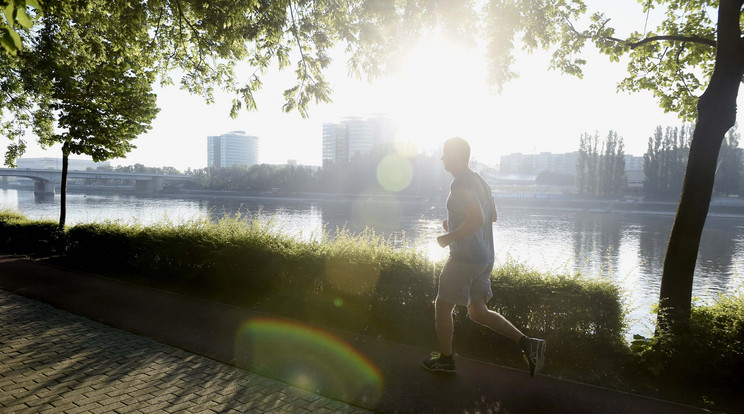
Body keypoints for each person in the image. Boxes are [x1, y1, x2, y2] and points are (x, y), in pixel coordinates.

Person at [422, 137, 546, 376]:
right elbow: (492, 216)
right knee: (477, 312)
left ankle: (446, 361)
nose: (442, 157)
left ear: (456, 155)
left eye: (445, 152)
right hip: (484, 257)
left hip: (465, 258)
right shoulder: (481, 182)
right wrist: (456, 223)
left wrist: (450, 237)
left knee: (442, 306)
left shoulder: (460, 183)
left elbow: (478, 218)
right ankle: (528, 344)